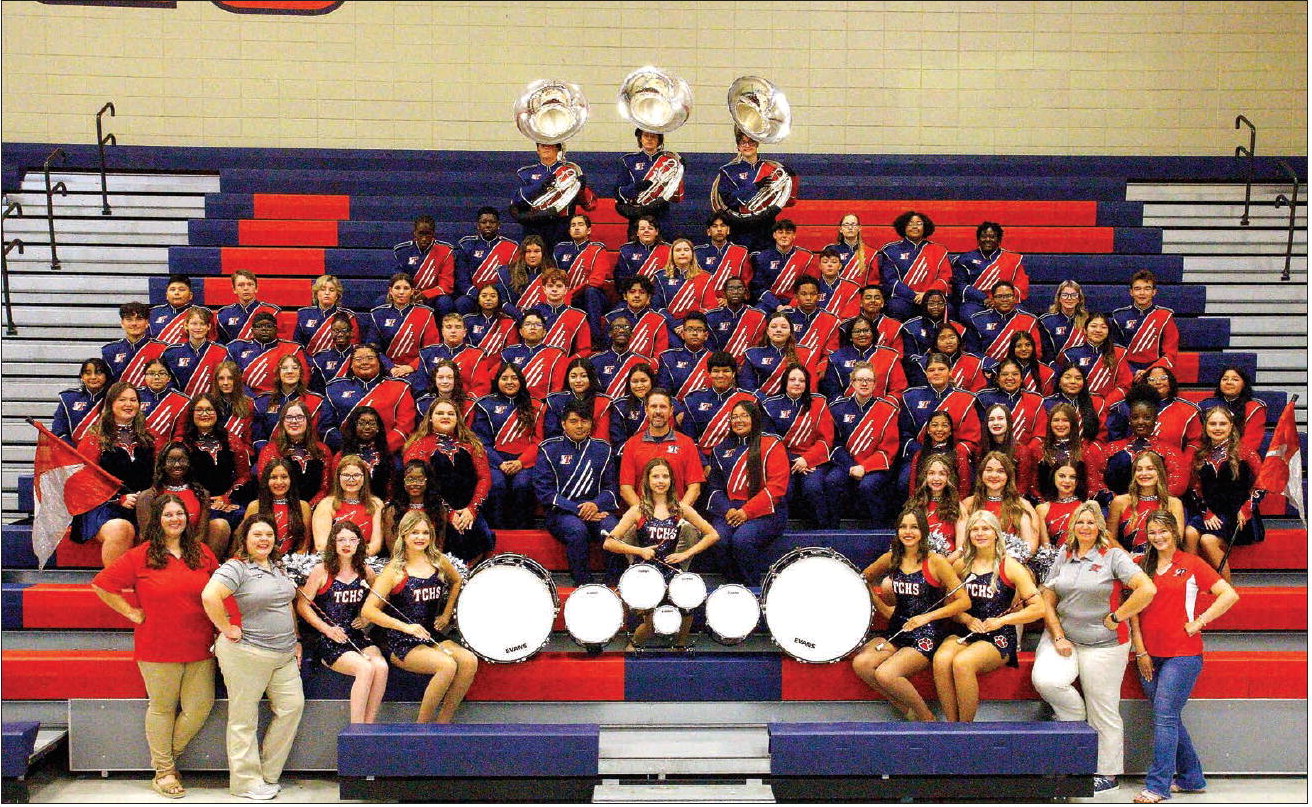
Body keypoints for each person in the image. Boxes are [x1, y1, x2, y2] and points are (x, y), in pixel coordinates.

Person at [91, 493, 220, 799]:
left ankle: (165, 759)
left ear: (187, 519)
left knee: (200, 706)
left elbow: (218, 591)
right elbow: (101, 584)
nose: (175, 519)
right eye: (168, 515)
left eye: (179, 514)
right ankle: (164, 772)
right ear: (157, 520)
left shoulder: (201, 552)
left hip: (201, 645)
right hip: (158, 646)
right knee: (162, 708)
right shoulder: (141, 555)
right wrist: (131, 612)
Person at [1032, 500, 1156, 794]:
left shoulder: (1113, 556)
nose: (1085, 527)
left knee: (1104, 709)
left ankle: (1107, 773)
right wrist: (1058, 635)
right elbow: (1047, 597)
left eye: (1091, 522)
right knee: (1046, 680)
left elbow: (1147, 588)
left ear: (1099, 526)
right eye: (1080, 522)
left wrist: (1117, 616)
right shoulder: (1064, 553)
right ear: (1072, 526)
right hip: (1065, 638)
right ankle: (1075, 718)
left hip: (1105, 644)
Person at [1127, 511, 1239, 804]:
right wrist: (1140, 651)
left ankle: (1158, 786)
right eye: (1152, 532)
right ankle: (1191, 778)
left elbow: (1228, 594)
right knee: (1169, 717)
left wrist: (1199, 621)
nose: (1158, 537)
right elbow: (1133, 613)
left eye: (1163, 531)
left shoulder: (1191, 564)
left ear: (1174, 533)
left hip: (1183, 655)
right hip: (1149, 656)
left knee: (1164, 718)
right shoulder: (1141, 566)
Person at [201, 513, 305, 800]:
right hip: (247, 652)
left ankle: (267, 774)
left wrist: (295, 639)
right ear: (245, 539)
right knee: (243, 718)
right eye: (257, 534)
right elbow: (210, 597)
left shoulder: (277, 567)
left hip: (283, 654)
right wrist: (226, 627)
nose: (264, 539)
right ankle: (246, 783)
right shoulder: (237, 568)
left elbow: (286, 605)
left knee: (292, 707)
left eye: (269, 535)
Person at [852, 508, 970, 721]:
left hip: (927, 634)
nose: (908, 531)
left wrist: (927, 617)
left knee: (886, 673)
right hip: (898, 630)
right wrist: (880, 605)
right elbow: (862, 578)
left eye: (914, 527)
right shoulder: (891, 558)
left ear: (923, 531)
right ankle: (908, 711)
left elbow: (964, 600)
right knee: (861, 664)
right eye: (903, 527)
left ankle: (927, 718)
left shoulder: (935, 561)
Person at [363, 511, 478, 723]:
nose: (420, 537)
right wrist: (405, 627)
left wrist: (446, 613)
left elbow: (456, 581)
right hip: (401, 641)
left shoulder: (438, 561)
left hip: (430, 635)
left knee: (469, 660)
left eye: (425, 533)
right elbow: (368, 611)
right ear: (404, 535)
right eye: (414, 532)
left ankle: (443, 723)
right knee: (447, 665)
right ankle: (421, 727)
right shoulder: (394, 570)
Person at [933, 510, 1043, 722]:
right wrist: (967, 619)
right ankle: (952, 726)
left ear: (996, 533)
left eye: (985, 528)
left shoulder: (1010, 566)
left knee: (962, 662)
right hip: (965, 630)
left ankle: (967, 730)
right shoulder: (961, 565)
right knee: (941, 659)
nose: (980, 533)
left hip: (997, 635)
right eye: (974, 529)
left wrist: (1001, 620)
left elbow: (1038, 608)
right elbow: (950, 603)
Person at [604, 457, 719, 647]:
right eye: (655, 476)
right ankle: (633, 646)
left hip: (672, 570)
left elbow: (712, 535)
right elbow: (609, 543)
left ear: (671, 481)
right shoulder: (638, 510)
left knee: (688, 603)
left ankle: (680, 646)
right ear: (647, 481)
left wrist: (686, 554)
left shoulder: (681, 508)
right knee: (651, 624)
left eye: (665, 476)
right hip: (646, 574)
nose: (660, 480)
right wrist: (639, 550)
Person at [297, 520, 389, 724]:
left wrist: (366, 617)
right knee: (365, 668)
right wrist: (327, 629)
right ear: (333, 543)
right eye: (341, 539)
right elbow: (303, 605)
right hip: (330, 639)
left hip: (356, 635)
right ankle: (357, 729)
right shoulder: (322, 571)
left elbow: (379, 601)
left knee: (381, 667)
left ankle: (369, 725)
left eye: (352, 539)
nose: (346, 544)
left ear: (359, 543)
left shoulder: (366, 571)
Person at [534, 400, 623, 586]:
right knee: (577, 530)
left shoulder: (603, 449)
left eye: (584, 421)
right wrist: (579, 509)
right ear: (563, 424)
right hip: (562, 513)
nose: (580, 426)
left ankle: (613, 583)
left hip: (597, 510)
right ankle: (583, 582)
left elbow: (611, 487)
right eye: (574, 421)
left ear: (592, 423)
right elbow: (545, 492)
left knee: (614, 529)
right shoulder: (549, 449)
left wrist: (595, 505)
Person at [706, 401, 790, 585]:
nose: (739, 420)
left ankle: (753, 588)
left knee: (742, 540)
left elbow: (777, 488)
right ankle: (733, 585)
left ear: (755, 418)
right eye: (734, 417)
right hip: (730, 511)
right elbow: (714, 489)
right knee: (718, 539)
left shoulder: (771, 444)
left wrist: (747, 512)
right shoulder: (720, 449)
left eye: (744, 415)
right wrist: (727, 510)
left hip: (766, 511)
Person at [76, 381, 158, 566]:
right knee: (122, 528)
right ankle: (112, 588)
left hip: (143, 505)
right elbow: (84, 480)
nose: (128, 404)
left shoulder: (148, 436)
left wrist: (148, 496)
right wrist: (118, 499)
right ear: (111, 403)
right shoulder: (94, 437)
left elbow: (159, 473)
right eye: (122, 400)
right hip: (102, 506)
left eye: (133, 400)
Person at [401, 400, 493, 563]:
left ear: (458, 418)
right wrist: (449, 513)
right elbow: (420, 485)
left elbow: (484, 478)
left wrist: (471, 509)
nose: (446, 417)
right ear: (430, 418)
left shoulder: (472, 444)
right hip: (434, 507)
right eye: (440, 413)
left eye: (451, 414)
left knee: (482, 536)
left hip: (468, 508)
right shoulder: (418, 446)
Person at [1185, 406, 1263, 579]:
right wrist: (1206, 512)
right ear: (1205, 427)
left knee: (1207, 540)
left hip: (1237, 512)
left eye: (1222, 423)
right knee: (1189, 533)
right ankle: (1190, 581)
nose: (1217, 428)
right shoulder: (1200, 455)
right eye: (1213, 424)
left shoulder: (1245, 452)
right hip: (1211, 511)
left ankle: (1226, 588)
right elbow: (1194, 489)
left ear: (1231, 426)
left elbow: (1262, 483)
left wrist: (1246, 509)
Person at [761, 365, 837, 528]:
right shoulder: (770, 405)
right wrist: (794, 460)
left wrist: (806, 459)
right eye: (793, 379)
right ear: (785, 382)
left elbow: (826, 440)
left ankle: (823, 530)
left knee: (813, 487)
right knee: (784, 490)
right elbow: (770, 442)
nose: (797, 383)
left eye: (802, 380)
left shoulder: (819, 402)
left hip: (813, 460)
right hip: (782, 461)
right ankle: (781, 530)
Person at [181, 394, 256, 534]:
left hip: (227, 500)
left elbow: (244, 476)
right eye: (199, 410)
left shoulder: (232, 440)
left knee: (248, 519)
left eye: (209, 409)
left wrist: (226, 497)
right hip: (193, 501)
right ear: (191, 414)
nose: (205, 414)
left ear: (217, 413)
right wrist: (203, 501)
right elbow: (178, 479)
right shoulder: (183, 443)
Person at [321, 344, 418, 452]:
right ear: (351, 364)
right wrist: (350, 446)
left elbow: (404, 428)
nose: (365, 362)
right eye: (358, 359)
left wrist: (380, 448)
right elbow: (326, 428)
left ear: (379, 362)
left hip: (387, 453)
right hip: (346, 453)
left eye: (370, 358)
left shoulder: (400, 388)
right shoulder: (334, 388)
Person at [712, 129, 797, 251]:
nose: (747, 145)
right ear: (738, 147)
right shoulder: (727, 171)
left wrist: (791, 178)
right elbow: (730, 200)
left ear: (757, 144)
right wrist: (755, 186)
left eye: (751, 142)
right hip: (740, 227)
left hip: (767, 225)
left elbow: (790, 201)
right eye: (743, 143)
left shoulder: (772, 169)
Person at [619, 389, 704, 509]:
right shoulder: (632, 444)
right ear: (646, 410)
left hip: (678, 516)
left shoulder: (687, 443)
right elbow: (626, 488)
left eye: (663, 407)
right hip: (642, 517)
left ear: (671, 411)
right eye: (654, 406)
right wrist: (645, 514)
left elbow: (694, 488)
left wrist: (678, 513)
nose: (658, 411)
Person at [509, 141, 595, 250]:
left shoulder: (570, 171)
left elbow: (590, 205)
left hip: (562, 227)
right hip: (534, 225)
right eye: (542, 145)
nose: (546, 147)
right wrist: (539, 187)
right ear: (537, 150)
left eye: (550, 144)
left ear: (558, 149)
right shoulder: (525, 173)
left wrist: (581, 189)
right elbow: (516, 202)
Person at [959, 451, 1044, 560]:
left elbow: (1030, 548)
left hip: (1012, 566)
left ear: (1008, 476)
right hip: (976, 563)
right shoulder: (968, 504)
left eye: (1000, 471)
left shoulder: (1023, 505)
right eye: (989, 470)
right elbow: (962, 546)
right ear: (981, 474)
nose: (994, 475)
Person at [900, 353, 983, 460]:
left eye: (941, 369)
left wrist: (951, 455)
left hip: (955, 457)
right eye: (931, 370)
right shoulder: (911, 397)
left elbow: (971, 438)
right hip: (919, 456)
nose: (936, 373)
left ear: (951, 371)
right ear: (925, 373)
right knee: (905, 477)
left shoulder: (966, 398)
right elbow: (905, 434)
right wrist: (923, 452)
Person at [1104, 394, 1190, 497]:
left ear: (1155, 420)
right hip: (1118, 506)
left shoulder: (1170, 450)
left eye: (1147, 417)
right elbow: (1097, 481)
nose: (1140, 422)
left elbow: (1178, 484)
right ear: (1129, 420)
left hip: (1159, 507)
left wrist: (1153, 501)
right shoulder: (1112, 448)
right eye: (1135, 417)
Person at [876, 211, 951, 322]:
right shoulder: (891, 250)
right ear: (903, 227)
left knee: (949, 308)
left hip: (932, 299)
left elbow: (945, 277)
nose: (915, 226)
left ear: (925, 227)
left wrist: (927, 296)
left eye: (919, 223)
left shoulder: (939, 250)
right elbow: (890, 280)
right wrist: (913, 296)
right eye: (910, 223)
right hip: (903, 299)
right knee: (895, 307)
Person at [550, 214, 611, 350]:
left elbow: (596, 281)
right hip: (567, 295)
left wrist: (571, 293)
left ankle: (595, 340)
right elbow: (553, 276)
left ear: (589, 230)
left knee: (591, 292)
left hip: (591, 296)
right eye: (573, 225)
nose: (576, 228)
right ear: (569, 230)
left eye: (580, 224)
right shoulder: (560, 249)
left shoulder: (597, 249)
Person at [364, 272, 439, 379]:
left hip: (417, 370)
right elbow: (373, 349)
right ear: (390, 290)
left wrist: (411, 367)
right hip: (386, 370)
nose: (401, 292)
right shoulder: (378, 314)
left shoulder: (426, 314)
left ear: (412, 291)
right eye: (397, 288)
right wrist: (390, 367)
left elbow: (432, 348)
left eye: (406, 288)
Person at [681, 350, 757, 456]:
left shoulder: (749, 399)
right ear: (709, 374)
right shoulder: (693, 400)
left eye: (726, 371)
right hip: (703, 458)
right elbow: (688, 439)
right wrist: (704, 464)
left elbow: (756, 437)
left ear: (734, 373)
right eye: (716, 371)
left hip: (737, 457)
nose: (720, 375)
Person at [255, 400, 331, 505]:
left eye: (300, 417)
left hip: (316, 509)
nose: (294, 421)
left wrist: (308, 508)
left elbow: (326, 487)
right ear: (282, 422)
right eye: (289, 417)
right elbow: (267, 486)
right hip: (280, 506)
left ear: (308, 421)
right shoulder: (270, 450)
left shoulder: (322, 450)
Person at [952, 222, 1029, 324]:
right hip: (976, 302)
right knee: (967, 315)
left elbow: (1022, 285)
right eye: (984, 236)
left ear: (999, 239)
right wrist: (983, 298)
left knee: (1023, 317)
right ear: (978, 239)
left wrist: (1001, 299)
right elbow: (960, 285)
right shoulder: (965, 259)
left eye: (992, 237)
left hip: (1006, 301)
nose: (988, 240)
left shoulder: (1013, 259)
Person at [614, 128, 685, 235]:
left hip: (662, 216)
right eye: (646, 136)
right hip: (638, 215)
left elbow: (676, 195)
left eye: (653, 136)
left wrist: (680, 170)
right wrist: (637, 187)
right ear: (640, 139)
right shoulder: (628, 160)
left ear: (659, 139)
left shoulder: (669, 160)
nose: (649, 139)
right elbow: (619, 192)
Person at [225, 311, 312, 399]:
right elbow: (229, 377)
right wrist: (251, 398)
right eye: (259, 326)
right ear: (252, 330)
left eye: (269, 326)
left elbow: (304, 377)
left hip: (280, 399)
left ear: (276, 329)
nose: (264, 329)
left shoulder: (293, 349)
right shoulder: (237, 347)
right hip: (243, 398)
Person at [311, 455, 385, 556]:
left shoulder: (376, 504)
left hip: (365, 558)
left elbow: (376, 545)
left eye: (356, 475)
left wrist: (355, 558)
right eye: (346, 475)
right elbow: (321, 545)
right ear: (338, 477)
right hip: (333, 560)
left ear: (364, 477)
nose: (351, 479)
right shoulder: (326, 504)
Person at [1111, 269, 1179, 377]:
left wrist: (1150, 371)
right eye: (1137, 289)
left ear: (1154, 292)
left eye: (1147, 289)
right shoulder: (1119, 317)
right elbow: (1116, 351)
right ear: (1131, 292)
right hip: (1127, 372)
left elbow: (1170, 353)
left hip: (1157, 372)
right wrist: (1134, 372)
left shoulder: (1165, 316)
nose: (1142, 293)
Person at [821, 314, 905, 400]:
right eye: (857, 331)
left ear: (873, 334)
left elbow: (898, 389)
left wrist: (883, 407)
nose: (862, 334)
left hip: (881, 409)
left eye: (866, 330)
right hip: (845, 410)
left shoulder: (890, 356)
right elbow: (832, 390)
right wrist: (843, 407)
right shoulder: (836, 358)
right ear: (850, 336)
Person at [1033, 402, 1105, 502]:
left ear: (1073, 424)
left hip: (1078, 507)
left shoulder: (1084, 451)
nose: (1060, 424)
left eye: (1065, 420)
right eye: (1056, 420)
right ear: (1050, 423)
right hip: (1046, 507)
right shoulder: (1040, 451)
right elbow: (1033, 486)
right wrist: (1044, 506)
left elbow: (1093, 486)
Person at [251, 353, 325, 448]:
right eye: (284, 368)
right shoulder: (262, 402)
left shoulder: (316, 401)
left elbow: (317, 435)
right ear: (278, 372)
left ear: (300, 372)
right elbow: (258, 438)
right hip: (272, 457)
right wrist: (270, 455)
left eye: (294, 368)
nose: (290, 371)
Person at [1059, 311, 1133, 405]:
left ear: (1109, 331)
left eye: (1103, 327)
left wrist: (1103, 405)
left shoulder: (1118, 353)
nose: (1098, 330)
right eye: (1093, 326)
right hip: (1077, 406)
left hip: (1108, 408)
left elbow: (1124, 386)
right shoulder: (1070, 354)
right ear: (1085, 330)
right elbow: (1066, 385)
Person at [470, 234, 554, 313]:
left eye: (537, 251)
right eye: (528, 251)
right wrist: (519, 316)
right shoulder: (506, 273)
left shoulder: (553, 275)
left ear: (543, 254)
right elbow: (502, 301)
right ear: (522, 254)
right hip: (513, 319)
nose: (532, 255)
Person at [455, 206, 520, 310]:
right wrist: (480, 296)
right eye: (484, 222)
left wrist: (497, 298)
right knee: (461, 303)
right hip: (475, 296)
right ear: (478, 225)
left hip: (501, 297)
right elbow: (462, 280)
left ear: (499, 225)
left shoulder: (512, 247)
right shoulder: (466, 245)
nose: (488, 225)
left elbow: (516, 279)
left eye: (492, 222)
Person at [738, 311, 818, 394]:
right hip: (761, 403)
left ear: (790, 331)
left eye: (784, 327)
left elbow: (811, 385)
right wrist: (766, 402)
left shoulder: (805, 353)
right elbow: (747, 385)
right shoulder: (753, 354)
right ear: (767, 331)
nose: (778, 330)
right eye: (774, 327)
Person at [245, 458, 312, 556]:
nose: (279, 482)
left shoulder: (303, 506)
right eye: (274, 477)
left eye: (284, 477)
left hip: (293, 562)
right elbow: (246, 541)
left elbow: (304, 545)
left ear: (291, 480)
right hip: (260, 559)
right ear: (266, 481)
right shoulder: (255, 506)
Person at [415, 314, 492, 399]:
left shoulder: (477, 355)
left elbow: (481, 388)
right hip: (433, 405)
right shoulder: (427, 354)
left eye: (458, 327)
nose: (453, 331)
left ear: (464, 332)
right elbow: (420, 387)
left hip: (464, 405)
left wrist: (461, 405)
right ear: (442, 331)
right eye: (449, 327)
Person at [392, 215, 457, 315]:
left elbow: (446, 285)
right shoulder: (403, 251)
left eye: (428, 234)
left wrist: (425, 294)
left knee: (445, 302)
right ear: (414, 233)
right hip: (407, 294)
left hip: (433, 297)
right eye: (420, 234)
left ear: (433, 234)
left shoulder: (445, 251)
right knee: (381, 301)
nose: (424, 238)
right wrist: (410, 294)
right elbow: (398, 279)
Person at [966, 281, 1045, 363]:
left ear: (1014, 298)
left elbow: (1037, 352)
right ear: (992, 299)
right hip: (988, 371)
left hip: (1020, 371)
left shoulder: (1029, 320)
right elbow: (973, 352)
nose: (1004, 300)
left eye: (1008, 296)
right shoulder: (977, 320)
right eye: (999, 296)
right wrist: (990, 365)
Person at [330, 405, 397, 502]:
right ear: (354, 426)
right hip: (348, 508)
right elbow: (335, 489)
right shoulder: (341, 456)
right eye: (361, 423)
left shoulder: (386, 455)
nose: (367, 427)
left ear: (378, 427)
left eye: (372, 423)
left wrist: (384, 508)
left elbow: (390, 488)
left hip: (381, 507)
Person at [903, 411, 973, 502]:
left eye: (944, 425)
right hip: (923, 505)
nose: (939, 429)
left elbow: (964, 487)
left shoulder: (959, 455)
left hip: (951, 507)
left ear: (950, 431)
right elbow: (913, 488)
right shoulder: (919, 455)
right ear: (928, 430)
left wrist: (958, 507)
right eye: (935, 425)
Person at [1198, 365, 1268, 458]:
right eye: (1225, 379)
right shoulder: (1205, 405)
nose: (1229, 382)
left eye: (1235, 379)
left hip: (1241, 458)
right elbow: (1198, 437)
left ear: (1244, 384)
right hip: (1208, 455)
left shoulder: (1254, 408)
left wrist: (1228, 459)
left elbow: (1251, 443)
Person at [749, 219, 816, 313]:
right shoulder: (762, 257)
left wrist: (791, 305)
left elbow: (809, 286)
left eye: (788, 233)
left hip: (797, 303)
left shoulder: (806, 257)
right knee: (755, 315)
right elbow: (759, 287)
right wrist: (777, 305)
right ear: (774, 235)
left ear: (794, 236)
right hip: (768, 303)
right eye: (780, 233)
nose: (784, 236)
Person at [975, 359, 1048, 445]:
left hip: (1027, 453)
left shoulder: (1035, 400)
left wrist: (1025, 453)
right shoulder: (984, 398)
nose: (1010, 378)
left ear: (1021, 378)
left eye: (1015, 374)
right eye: (1004, 374)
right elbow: (980, 433)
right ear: (997, 378)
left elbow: (1039, 434)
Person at [522, 268, 591, 358]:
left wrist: (566, 363)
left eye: (559, 286)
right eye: (550, 286)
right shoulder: (532, 313)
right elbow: (524, 345)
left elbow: (584, 350)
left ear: (566, 290)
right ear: (544, 289)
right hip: (534, 364)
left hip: (563, 365)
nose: (554, 289)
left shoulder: (578, 316)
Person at [499, 310, 568, 399]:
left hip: (542, 405)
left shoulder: (556, 354)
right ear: (521, 331)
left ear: (544, 332)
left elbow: (557, 389)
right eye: (527, 324)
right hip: (512, 403)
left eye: (538, 325)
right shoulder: (508, 353)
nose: (533, 327)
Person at [783, 275, 843, 376]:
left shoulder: (831, 320)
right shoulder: (785, 317)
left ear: (819, 296)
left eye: (813, 294)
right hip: (786, 366)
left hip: (816, 370)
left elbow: (831, 351)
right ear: (796, 296)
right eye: (803, 294)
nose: (808, 298)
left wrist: (823, 365)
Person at [976, 402, 1039, 497]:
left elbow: (1022, 487)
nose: (996, 423)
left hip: (1013, 501)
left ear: (1009, 422)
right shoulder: (981, 450)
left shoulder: (1022, 451)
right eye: (991, 419)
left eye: (1000, 419)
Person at [162, 307, 229, 396]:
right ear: (186, 325)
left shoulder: (221, 351)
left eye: (202, 324)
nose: (198, 328)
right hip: (182, 405)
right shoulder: (172, 353)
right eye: (194, 324)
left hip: (212, 404)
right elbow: (167, 382)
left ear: (208, 326)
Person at [382, 459, 447, 549]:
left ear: (427, 481)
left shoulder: (438, 509)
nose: (415, 484)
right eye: (410, 479)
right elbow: (393, 546)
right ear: (403, 482)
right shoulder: (393, 510)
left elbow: (439, 545)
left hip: (431, 559)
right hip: (401, 560)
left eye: (420, 479)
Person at [652, 237, 718, 325]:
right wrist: (674, 324)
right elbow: (657, 306)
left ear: (692, 254)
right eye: (678, 250)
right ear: (671, 254)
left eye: (686, 250)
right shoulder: (660, 277)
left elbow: (711, 306)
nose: (682, 253)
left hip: (697, 326)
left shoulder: (705, 277)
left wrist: (691, 324)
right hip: (669, 326)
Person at [544, 357, 611, 440]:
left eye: (583, 376)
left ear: (591, 378)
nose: (578, 380)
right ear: (567, 379)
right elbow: (552, 434)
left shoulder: (602, 402)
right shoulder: (556, 401)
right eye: (573, 376)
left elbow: (601, 437)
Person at [604, 275, 670, 361]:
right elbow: (606, 349)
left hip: (645, 370)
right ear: (625, 296)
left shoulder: (658, 320)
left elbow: (661, 354)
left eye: (642, 292)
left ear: (648, 297)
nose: (637, 295)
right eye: (632, 292)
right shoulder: (611, 317)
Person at [908, 322, 987, 393]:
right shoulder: (923, 364)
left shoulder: (973, 362)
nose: (948, 341)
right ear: (935, 343)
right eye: (942, 338)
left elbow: (978, 392)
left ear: (958, 340)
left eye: (952, 337)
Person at [102, 301, 167, 386]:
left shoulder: (163, 349)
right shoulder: (110, 350)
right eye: (129, 319)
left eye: (139, 319)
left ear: (147, 323)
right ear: (122, 323)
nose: (134, 324)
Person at [908, 455, 963, 555]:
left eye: (942, 474)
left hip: (948, 561)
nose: (936, 478)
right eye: (931, 473)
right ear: (925, 476)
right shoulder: (914, 504)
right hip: (919, 559)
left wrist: (944, 564)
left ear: (948, 478)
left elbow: (961, 549)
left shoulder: (957, 506)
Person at [294, 275, 361, 356]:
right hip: (309, 363)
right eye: (322, 289)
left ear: (337, 295)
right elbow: (297, 345)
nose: (327, 293)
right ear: (316, 293)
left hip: (339, 362)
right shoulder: (304, 314)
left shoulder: (348, 316)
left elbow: (354, 346)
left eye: (331, 290)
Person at [704, 276, 767, 361]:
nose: (735, 292)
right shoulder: (711, 317)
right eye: (731, 289)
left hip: (749, 365)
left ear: (745, 293)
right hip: (720, 366)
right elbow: (709, 347)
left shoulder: (759, 316)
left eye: (739, 288)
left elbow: (759, 347)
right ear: (724, 293)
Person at [1043, 363, 1109, 442]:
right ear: (1059, 382)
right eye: (1067, 377)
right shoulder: (1047, 404)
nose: (1073, 381)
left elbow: (1101, 436)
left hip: (1088, 450)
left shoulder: (1096, 403)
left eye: (1078, 378)